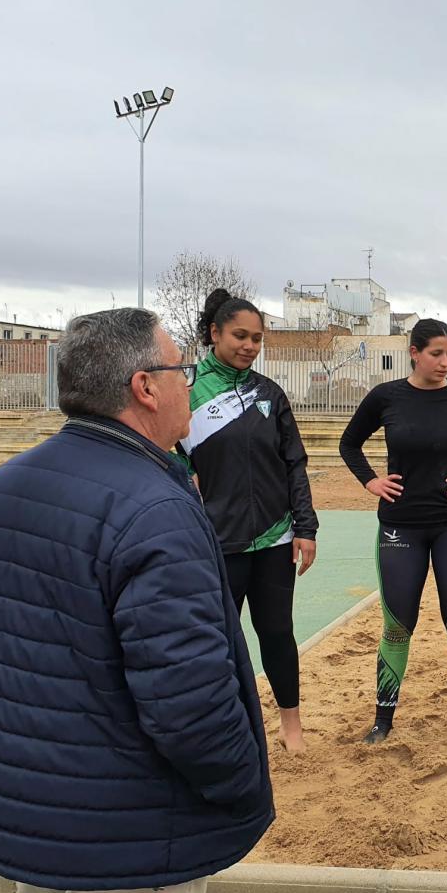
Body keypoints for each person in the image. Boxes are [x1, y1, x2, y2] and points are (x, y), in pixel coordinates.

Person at [0, 309, 273, 893]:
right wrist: (243, 782)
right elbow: (189, 703)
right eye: (181, 369)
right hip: (129, 841)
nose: (190, 383)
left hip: (16, 818)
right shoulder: (156, 511)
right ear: (145, 388)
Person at [339, 318, 447, 747]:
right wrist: (370, 481)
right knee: (398, 626)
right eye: (436, 353)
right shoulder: (386, 397)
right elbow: (349, 443)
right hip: (401, 526)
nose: (445, 362)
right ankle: (383, 718)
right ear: (414, 353)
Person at [176, 288, 318, 754]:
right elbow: (161, 453)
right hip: (217, 542)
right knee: (220, 639)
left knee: (277, 631)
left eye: (257, 339)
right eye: (240, 335)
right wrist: (184, 474)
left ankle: (290, 724)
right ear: (214, 333)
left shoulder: (269, 394)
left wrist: (305, 527)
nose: (250, 346)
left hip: (275, 539)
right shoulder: (186, 391)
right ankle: (228, 724)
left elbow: (294, 462)